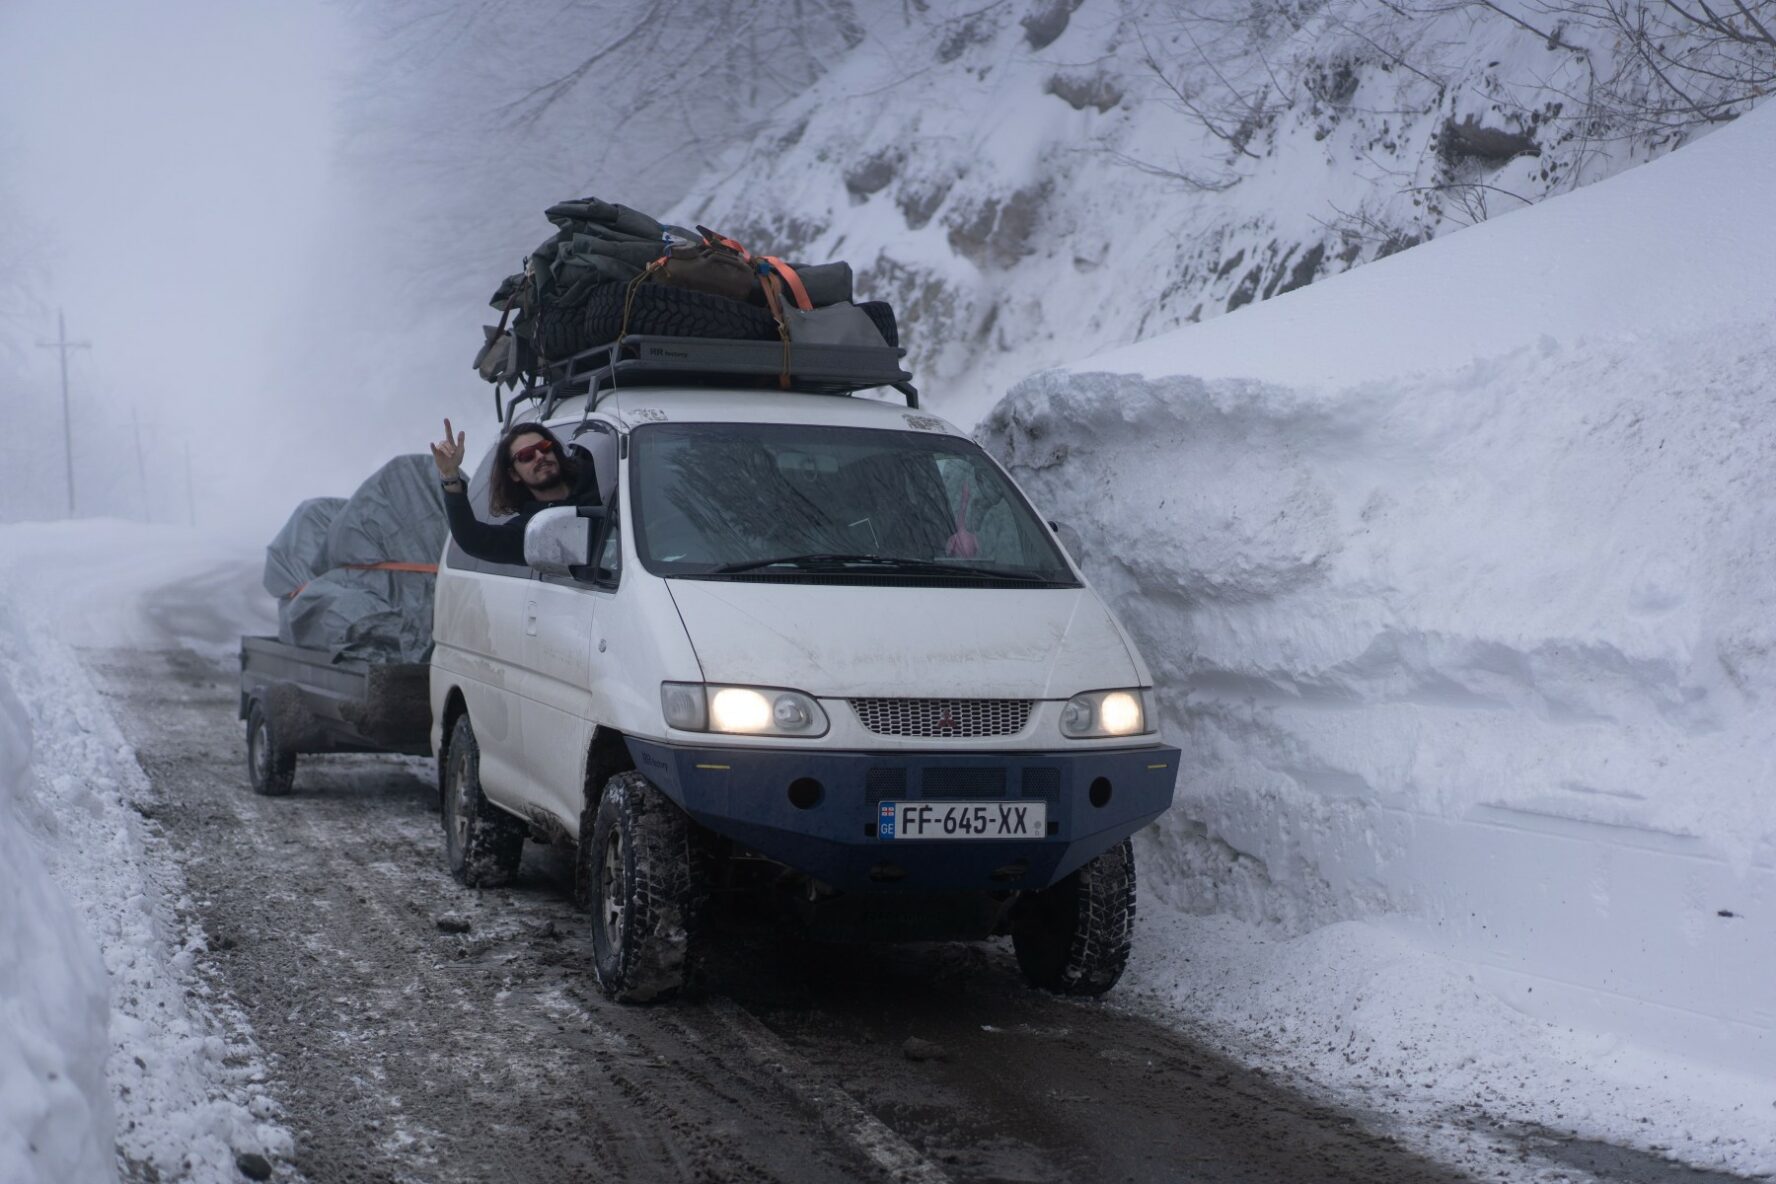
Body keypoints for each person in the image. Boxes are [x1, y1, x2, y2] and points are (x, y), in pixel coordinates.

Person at [429, 418, 601, 566]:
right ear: (514, 474)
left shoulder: (604, 477)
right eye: (526, 456)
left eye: (545, 447)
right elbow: (473, 540)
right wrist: (450, 475)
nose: (540, 455)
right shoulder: (532, 530)